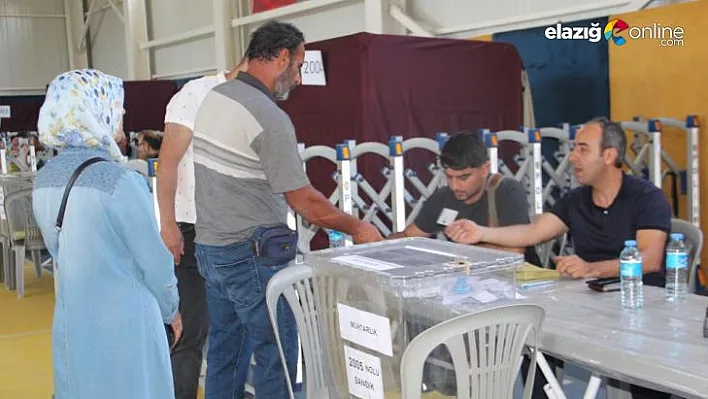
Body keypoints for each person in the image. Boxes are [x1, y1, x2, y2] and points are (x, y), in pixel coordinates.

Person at [191, 20, 383, 398]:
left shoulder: (216, 97)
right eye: (297, 67)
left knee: (226, 356)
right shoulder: (267, 116)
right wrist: (356, 226)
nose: (297, 79)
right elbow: (304, 200)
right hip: (251, 257)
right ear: (281, 57)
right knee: (277, 354)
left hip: (211, 251)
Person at [443, 117, 672, 399]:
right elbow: (533, 232)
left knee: (646, 369)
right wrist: (481, 232)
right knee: (536, 332)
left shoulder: (646, 197)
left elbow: (650, 259)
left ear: (609, 155)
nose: (573, 157)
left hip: (644, 307)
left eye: (583, 149)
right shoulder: (576, 200)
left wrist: (592, 268)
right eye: (574, 149)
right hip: (591, 303)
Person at [32, 69, 181, 399]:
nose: (123, 112)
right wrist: (172, 309)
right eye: (116, 104)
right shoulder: (120, 181)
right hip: (127, 324)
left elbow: (58, 250)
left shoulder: (43, 179)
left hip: (73, 318)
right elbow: (154, 261)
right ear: (93, 111)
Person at [157, 56, 249, 399]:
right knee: (190, 329)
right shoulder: (194, 96)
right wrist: (168, 225)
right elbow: (166, 166)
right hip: (190, 230)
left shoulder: (257, 104)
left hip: (237, 231)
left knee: (235, 329)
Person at [389, 131, 540, 264]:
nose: (455, 186)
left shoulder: (507, 191)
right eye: (449, 177)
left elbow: (514, 252)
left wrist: (454, 252)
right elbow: (408, 237)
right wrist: (378, 243)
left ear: (485, 169)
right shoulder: (443, 198)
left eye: (463, 177)